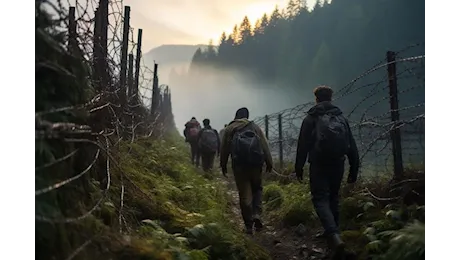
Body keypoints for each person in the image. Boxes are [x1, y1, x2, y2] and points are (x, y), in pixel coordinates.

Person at [294, 85, 359, 257]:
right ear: (331, 98)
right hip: (338, 162)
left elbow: (303, 145)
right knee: (333, 196)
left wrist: (298, 166)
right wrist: (354, 168)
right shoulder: (341, 118)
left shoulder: (311, 118)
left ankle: (333, 235)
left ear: (316, 99)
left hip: (319, 163)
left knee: (320, 198)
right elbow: (351, 145)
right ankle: (332, 232)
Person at [220, 107, 273, 235]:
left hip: (239, 166)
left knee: (244, 194)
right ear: (247, 116)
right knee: (257, 189)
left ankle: (249, 225)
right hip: (256, 164)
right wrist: (269, 162)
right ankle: (257, 214)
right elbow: (265, 145)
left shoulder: (230, 129)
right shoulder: (254, 127)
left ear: (236, 116)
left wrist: (223, 165)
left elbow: (224, 148)